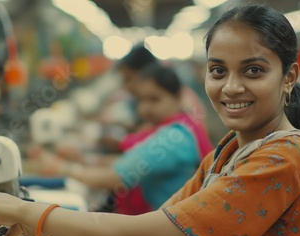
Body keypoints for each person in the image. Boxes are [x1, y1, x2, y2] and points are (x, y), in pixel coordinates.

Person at [0, 5, 300, 236]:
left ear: (289, 77)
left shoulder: (285, 159)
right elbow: (157, 221)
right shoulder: (227, 153)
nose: (231, 87)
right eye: (218, 70)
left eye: (253, 70)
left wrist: (24, 211)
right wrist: (49, 227)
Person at [32, 64, 213, 213]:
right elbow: (131, 160)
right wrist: (83, 158)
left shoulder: (173, 139)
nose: (145, 108)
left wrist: (61, 167)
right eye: (141, 100)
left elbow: (115, 177)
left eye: (154, 99)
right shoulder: (176, 126)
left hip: (163, 235)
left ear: (178, 97)